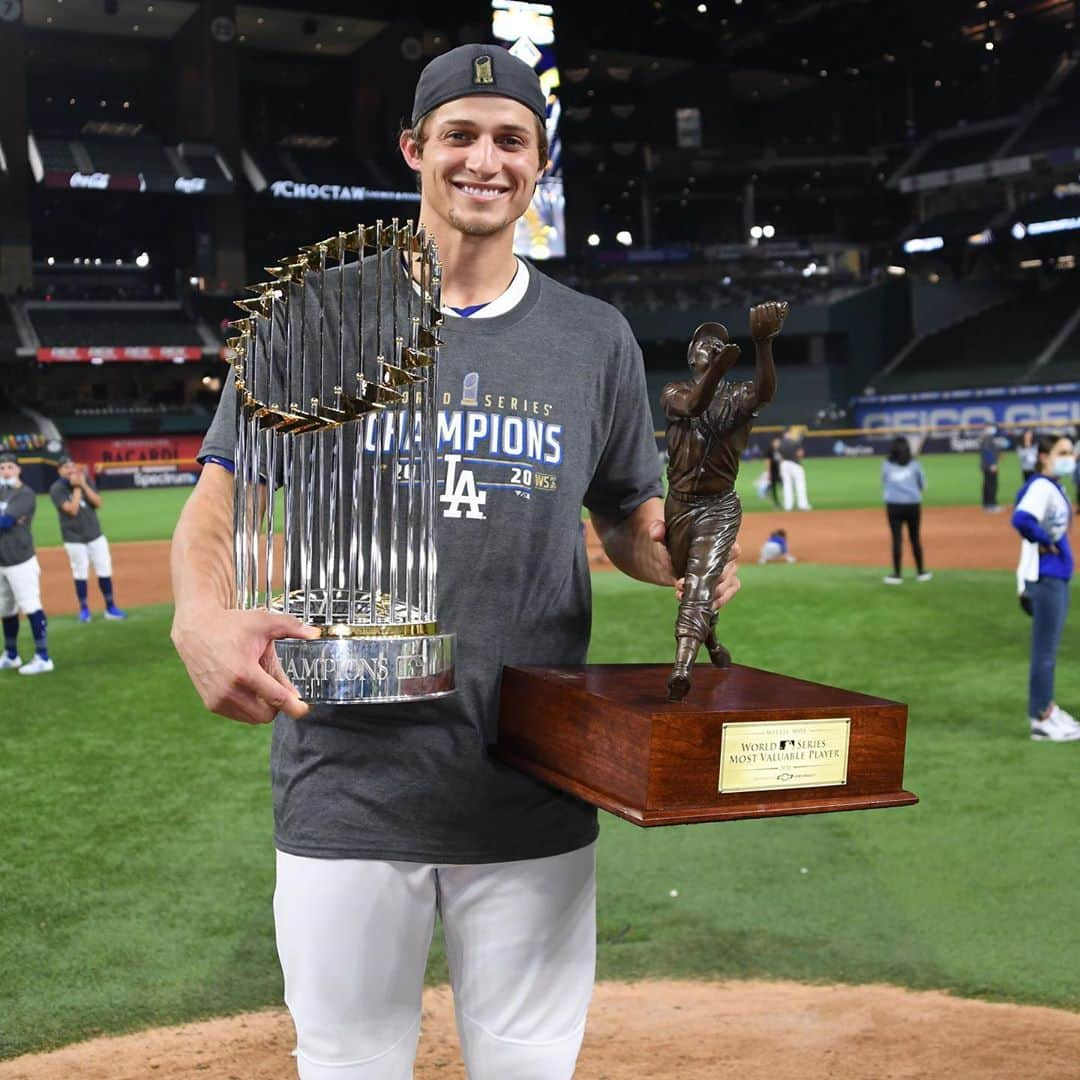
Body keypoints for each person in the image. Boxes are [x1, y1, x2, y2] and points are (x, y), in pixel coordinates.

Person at [169, 44, 742, 1080]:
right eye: (461, 135)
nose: (486, 159)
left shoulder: (593, 338)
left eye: (511, 139)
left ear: (540, 163)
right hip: (349, 771)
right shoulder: (317, 313)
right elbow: (228, 492)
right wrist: (198, 613)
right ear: (414, 151)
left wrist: (672, 553)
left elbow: (624, 513)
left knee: (529, 1069)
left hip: (531, 774)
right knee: (348, 1065)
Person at [661, 304, 788, 700]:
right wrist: (718, 369)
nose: (711, 348)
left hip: (718, 506)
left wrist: (763, 344)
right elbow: (695, 405)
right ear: (691, 355)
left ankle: (682, 668)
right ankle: (712, 641)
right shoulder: (673, 392)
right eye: (704, 344)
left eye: (717, 345)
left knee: (699, 582)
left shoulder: (738, 398)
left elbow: (765, 392)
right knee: (695, 587)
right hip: (678, 505)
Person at [1011, 433, 1080, 742]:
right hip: (1046, 577)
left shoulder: (1052, 486)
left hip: (1052, 574)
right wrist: (1045, 541)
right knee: (1046, 652)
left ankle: (1047, 708)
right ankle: (1041, 717)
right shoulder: (1041, 486)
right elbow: (1022, 518)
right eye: (1062, 452)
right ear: (1044, 456)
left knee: (1048, 650)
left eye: (1071, 451)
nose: (1070, 456)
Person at [49, 456, 126, 622]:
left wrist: (83, 484)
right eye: (65, 467)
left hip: (95, 536)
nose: (70, 470)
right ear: (59, 471)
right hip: (74, 539)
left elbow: (99, 503)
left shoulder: (86, 481)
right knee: (80, 573)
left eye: (72, 466)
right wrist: (77, 488)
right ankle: (84, 610)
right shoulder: (57, 489)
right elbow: (72, 510)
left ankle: (110, 607)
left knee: (104, 570)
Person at [0, 452, 54, 674]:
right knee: (6, 609)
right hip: (1, 561)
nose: (5, 471)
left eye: (10, 467)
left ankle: (43, 657)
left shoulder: (25, 494)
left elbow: (5, 522)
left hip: (20, 560)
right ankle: (11, 655)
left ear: (19, 469)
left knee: (31, 606)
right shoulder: (2, 492)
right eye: (2, 467)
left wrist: (6, 520)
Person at [881, 436, 931, 585]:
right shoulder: (915, 465)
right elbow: (923, 485)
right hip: (913, 505)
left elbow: (884, 481)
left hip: (893, 505)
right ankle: (921, 572)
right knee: (915, 538)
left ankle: (897, 574)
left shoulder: (886, 465)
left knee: (896, 539)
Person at [778, 425, 811, 510]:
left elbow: (779, 456)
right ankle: (802, 505)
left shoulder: (780, 443)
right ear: (789, 432)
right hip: (795, 465)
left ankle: (787, 506)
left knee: (786, 485)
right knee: (800, 484)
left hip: (784, 464)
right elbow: (800, 454)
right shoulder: (794, 441)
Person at [979, 423, 1000, 511]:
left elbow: (989, 451)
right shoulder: (988, 437)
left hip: (986, 465)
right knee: (991, 484)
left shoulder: (985, 437)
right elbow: (987, 452)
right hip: (989, 466)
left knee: (987, 484)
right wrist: (992, 464)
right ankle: (991, 505)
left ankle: (986, 504)